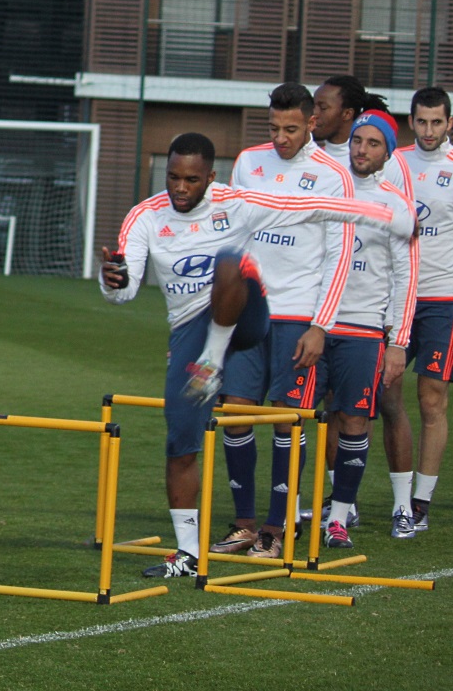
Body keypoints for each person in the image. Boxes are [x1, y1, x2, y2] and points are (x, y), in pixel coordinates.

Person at [100, 132, 412, 577]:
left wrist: (382, 214)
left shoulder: (238, 202)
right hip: (190, 328)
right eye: (173, 177)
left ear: (211, 177)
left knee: (232, 262)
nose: (180, 187)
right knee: (181, 443)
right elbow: (125, 288)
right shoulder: (144, 217)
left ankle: (214, 360)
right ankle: (188, 553)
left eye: (191, 179)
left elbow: (310, 209)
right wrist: (112, 281)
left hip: (250, 314)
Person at [216, 82, 355, 559]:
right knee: (235, 413)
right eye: (273, 128)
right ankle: (244, 524)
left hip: (300, 317)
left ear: (312, 122)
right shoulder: (248, 162)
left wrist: (321, 325)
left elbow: (339, 258)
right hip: (248, 314)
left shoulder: (334, 175)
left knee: (287, 422)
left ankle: (279, 528)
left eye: (291, 129)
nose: (281, 138)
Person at [383, 87, 453, 532]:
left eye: (437, 122)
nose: (429, 130)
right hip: (395, 298)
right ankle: (396, 496)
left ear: (450, 123)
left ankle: (421, 502)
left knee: (432, 398)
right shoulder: (395, 163)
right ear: (411, 122)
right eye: (422, 121)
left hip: (444, 301)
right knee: (385, 392)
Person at [315, 111, 418, 546]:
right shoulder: (326, 188)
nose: (362, 150)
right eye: (359, 141)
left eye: (374, 144)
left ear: (388, 152)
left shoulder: (396, 204)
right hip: (316, 324)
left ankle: (340, 517)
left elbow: (405, 278)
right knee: (303, 417)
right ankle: (292, 510)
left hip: (363, 327)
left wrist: (398, 343)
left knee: (355, 419)